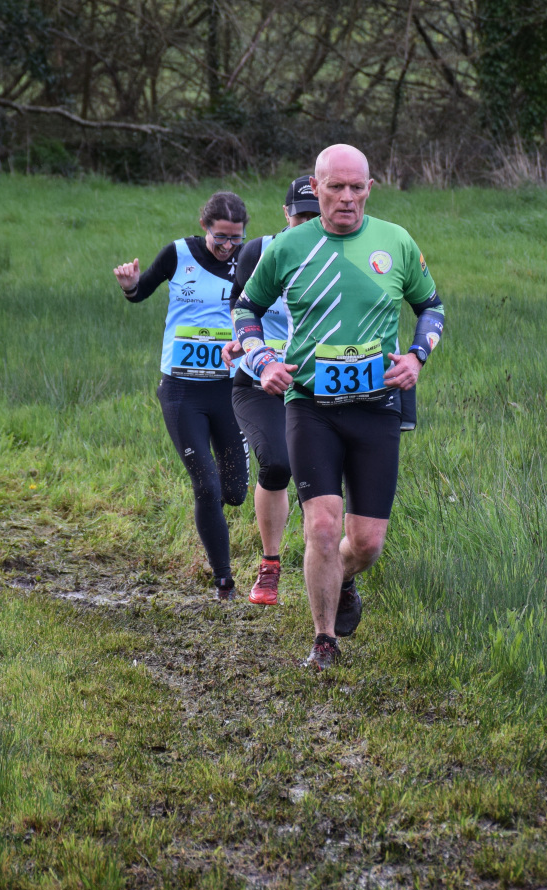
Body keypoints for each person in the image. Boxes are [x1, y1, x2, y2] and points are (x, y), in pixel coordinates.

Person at [232, 145, 446, 668]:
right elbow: (245, 310)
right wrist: (262, 360)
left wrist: (417, 356)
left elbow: (431, 307)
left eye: (356, 187)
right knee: (323, 528)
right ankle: (323, 640)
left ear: (370, 188)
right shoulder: (288, 247)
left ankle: (342, 579)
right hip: (312, 406)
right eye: (335, 187)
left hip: (376, 407)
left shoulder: (395, 242)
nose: (347, 197)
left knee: (366, 543)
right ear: (317, 187)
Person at [114, 191, 250, 600]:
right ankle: (224, 581)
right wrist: (130, 285)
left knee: (234, 492)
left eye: (236, 238)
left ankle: (214, 519)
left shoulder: (249, 261)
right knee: (206, 486)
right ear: (204, 227)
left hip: (229, 388)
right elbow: (141, 292)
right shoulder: (178, 254)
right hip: (181, 390)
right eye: (220, 237)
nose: (228, 246)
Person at [222, 175, 320, 606]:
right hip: (257, 380)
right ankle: (270, 564)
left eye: (315, 216)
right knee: (277, 464)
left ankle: (335, 570)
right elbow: (240, 307)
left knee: (320, 475)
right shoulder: (258, 251)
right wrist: (241, 342)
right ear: (285, 214)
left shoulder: (339, 254)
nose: (307, 224)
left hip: (313, 383)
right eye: (301, 216)